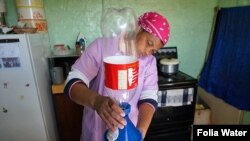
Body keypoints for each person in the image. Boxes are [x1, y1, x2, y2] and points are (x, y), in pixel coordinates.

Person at [64, 11, 170, 141]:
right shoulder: (102, 46)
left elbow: (148, 98)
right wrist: (96, 101)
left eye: (153, 51)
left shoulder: (149, 62)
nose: (148, 52)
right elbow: (72, 82)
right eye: (149, 43)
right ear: (139, 28)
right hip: (95, 132)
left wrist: (140, 132)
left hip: (127, 134)